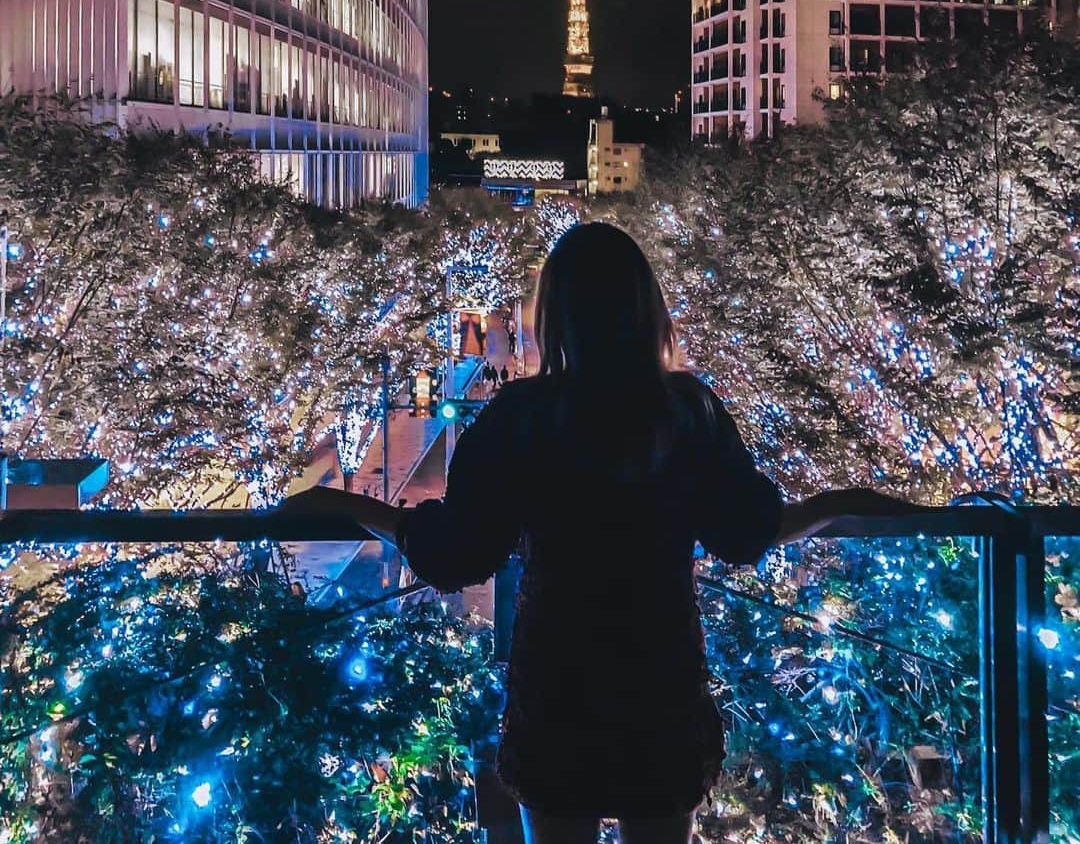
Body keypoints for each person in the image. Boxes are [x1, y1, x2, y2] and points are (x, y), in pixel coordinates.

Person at [280, 223, 912, 844]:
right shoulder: (686, 411)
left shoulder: (524, 417)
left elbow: (457, 552)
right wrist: (840, 503)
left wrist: (349, 505)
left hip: (559, 683)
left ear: (556, 318)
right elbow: (748, 531)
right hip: (659, 679)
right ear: (646, 313)